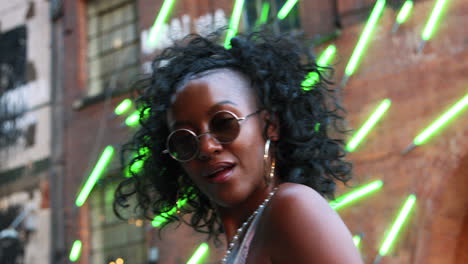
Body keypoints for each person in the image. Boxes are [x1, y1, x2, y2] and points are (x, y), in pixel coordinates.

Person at [114, 30, 363, 263]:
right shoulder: (248, 237)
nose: (207, 147)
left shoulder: (293, 206)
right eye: (185, 140)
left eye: (224, 123)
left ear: (271, 124)